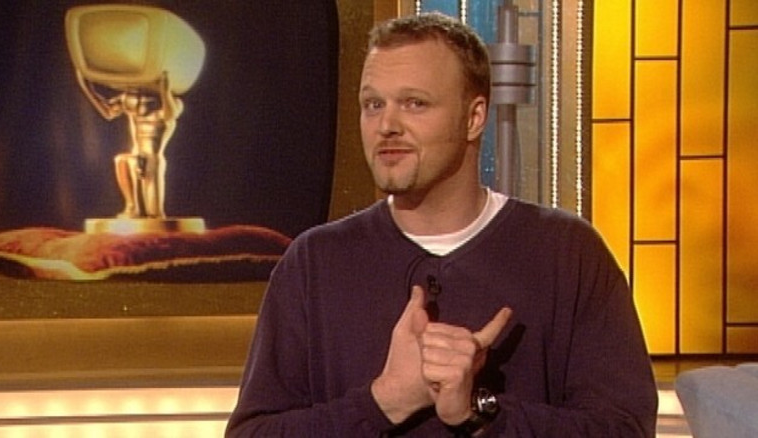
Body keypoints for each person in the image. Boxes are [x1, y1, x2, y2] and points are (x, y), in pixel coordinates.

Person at [225, 12, 657, 437]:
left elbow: (625, 429)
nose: (387, 126)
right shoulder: (314, 263)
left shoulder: (567, 253)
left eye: (415, 103)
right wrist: (385, 401)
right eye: (373, 104)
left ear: (474, 117)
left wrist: (480, 414)